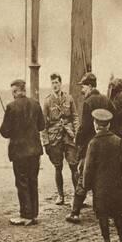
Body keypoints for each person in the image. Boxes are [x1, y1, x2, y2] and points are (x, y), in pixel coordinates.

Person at [66, 72, 115, 223]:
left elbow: (85, 126)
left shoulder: (88, 102)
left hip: (90, 146)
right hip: (106, 144)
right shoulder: (106, 100)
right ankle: (109, 213)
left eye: (84, 86)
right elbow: (115, 116)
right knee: (104, 178)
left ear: (91, 86)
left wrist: (77, 139)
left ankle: (75, 213)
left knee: (84, 177)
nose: (82, 90)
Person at [83, 109, 122, 242]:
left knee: (103, 214)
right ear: (109, 125)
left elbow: (88, 168)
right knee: (118, 213)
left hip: (100, 187)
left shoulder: (93, 143)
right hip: (116, 185)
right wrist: (121, 172)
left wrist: (87, 185)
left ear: (95, 125)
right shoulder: (117, 140)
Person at [0, 79, 45, 226]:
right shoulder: (35, 104)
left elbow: (4, 132)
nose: (13, 94)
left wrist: (13, 130)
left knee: (22, 183)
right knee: (33, 181)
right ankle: (33, 214)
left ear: (16, 91)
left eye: (13, 91)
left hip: (19, 152)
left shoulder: (11, 107)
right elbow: (42, 126)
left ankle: (26, 215)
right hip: (35, 151)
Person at [41, 73, 80, 205]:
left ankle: (77, 195)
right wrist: (46, 142)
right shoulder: (47, 101)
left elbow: (75, 117)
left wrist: (76, 133)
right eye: (52, 83)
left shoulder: (69, 98)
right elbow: (43, 125)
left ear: (60, 83)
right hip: (54, 137)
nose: (55, 85)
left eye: (57, 82)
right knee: (58, 167)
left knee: (74, 165)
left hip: (68, 136)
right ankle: (61, 195)